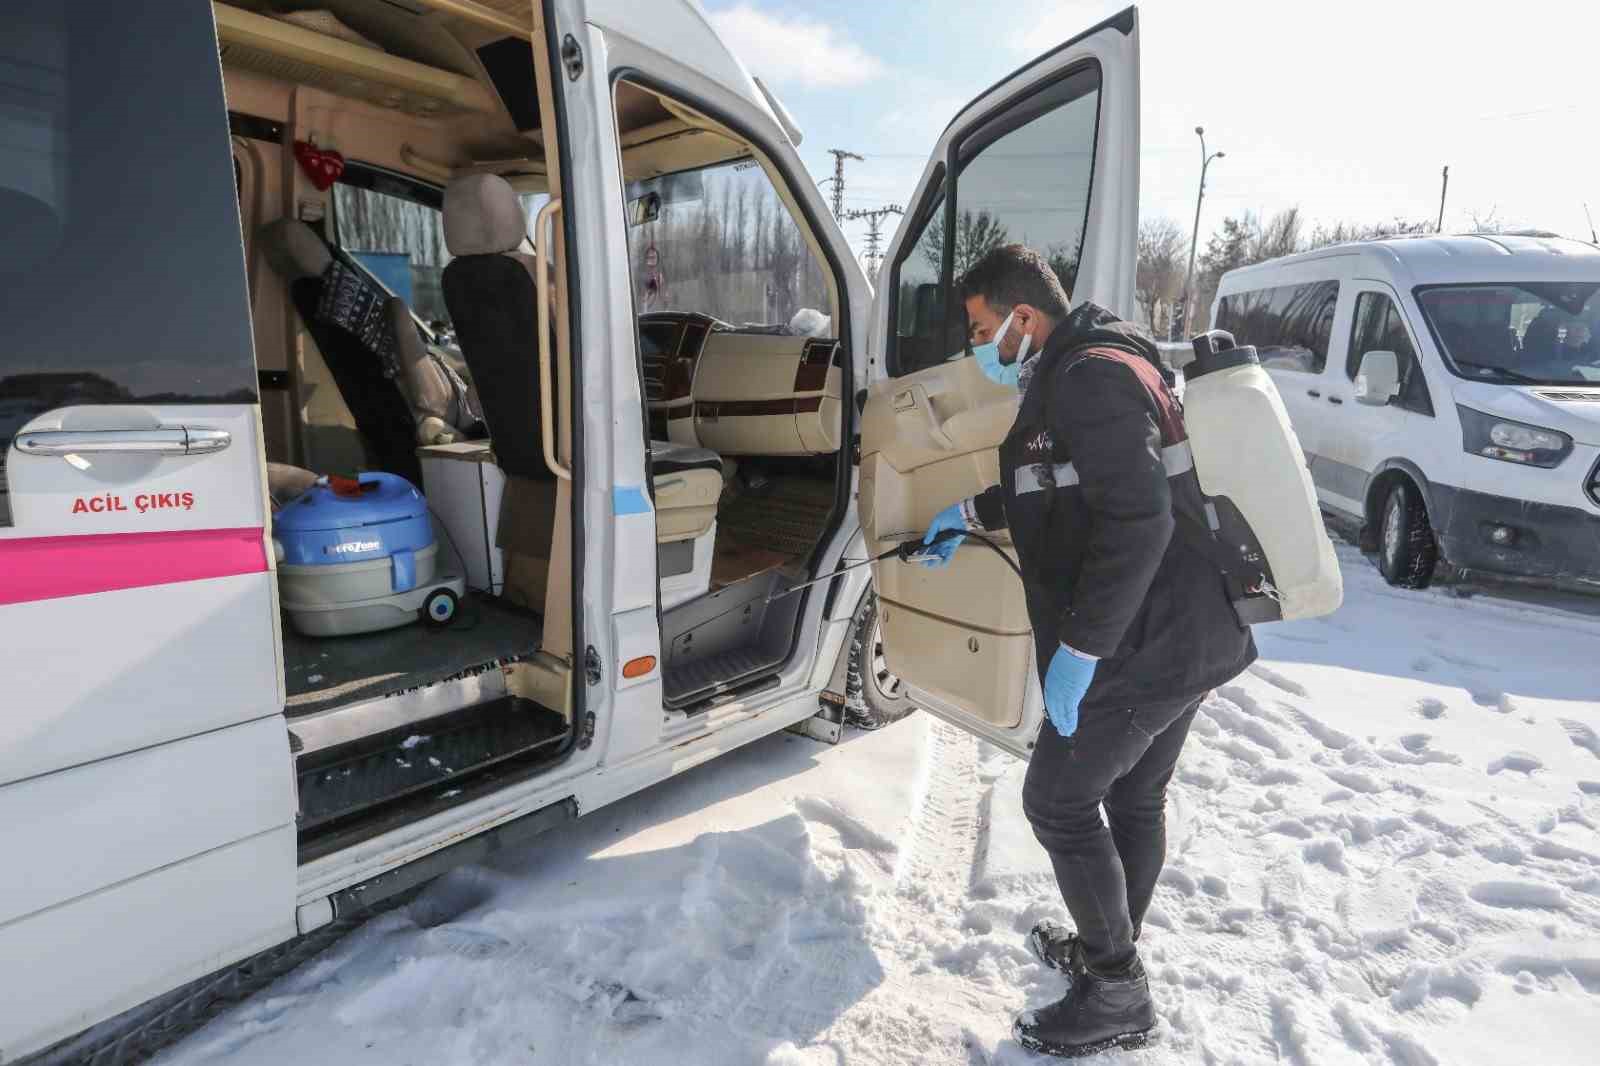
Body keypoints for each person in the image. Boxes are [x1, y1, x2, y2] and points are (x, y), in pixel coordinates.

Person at [918, 244, 1256, 1057]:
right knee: (1134, 800)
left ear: (1022, 318)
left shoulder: (1088, 378)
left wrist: (1080, 649)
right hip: (1185, 631)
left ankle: (1114, 988)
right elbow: (1067, 484)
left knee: (1057, 802)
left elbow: (1139, 520)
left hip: (1145, 643)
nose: (976, 346)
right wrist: (971, 510)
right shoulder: (1091, 364)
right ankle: (1112, 955)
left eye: (979, 328)